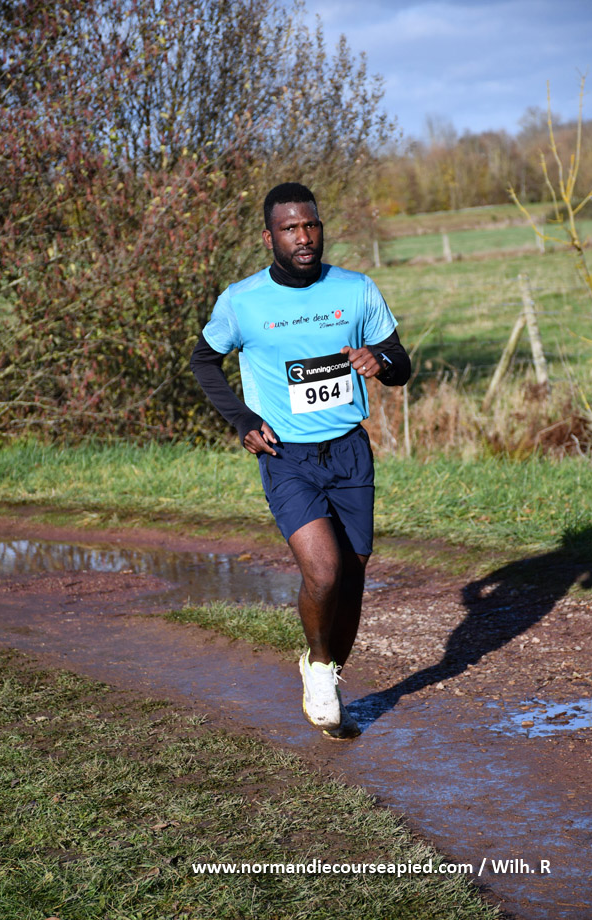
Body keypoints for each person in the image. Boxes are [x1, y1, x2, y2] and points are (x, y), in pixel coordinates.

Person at [190, 183, 410, 739]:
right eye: (290, 228)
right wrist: (243, 420)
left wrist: (380, 362)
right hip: (286, 454)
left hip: (349, 451)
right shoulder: (242, 301)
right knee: (324, 570)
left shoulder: (356, 290)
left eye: (310, 225)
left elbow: (400, 362)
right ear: (270, 237)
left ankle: (328, 675)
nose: (303, 237)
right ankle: (317, 664)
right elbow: (204, 361)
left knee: (352, 577)